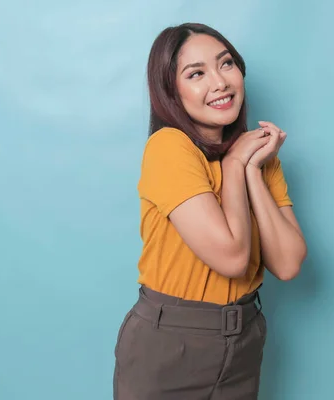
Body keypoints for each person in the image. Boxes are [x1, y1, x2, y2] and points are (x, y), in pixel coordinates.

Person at [113, 22, 308, 399]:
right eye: (196, 73)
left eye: (226, 64)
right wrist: (236, 165)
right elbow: (233, 258)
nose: (219, 82)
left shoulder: (260, 158)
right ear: (172, 92)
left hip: (244, 340)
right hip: (171, 345)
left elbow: (288, 264)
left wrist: (251, 169)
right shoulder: (169, 148)